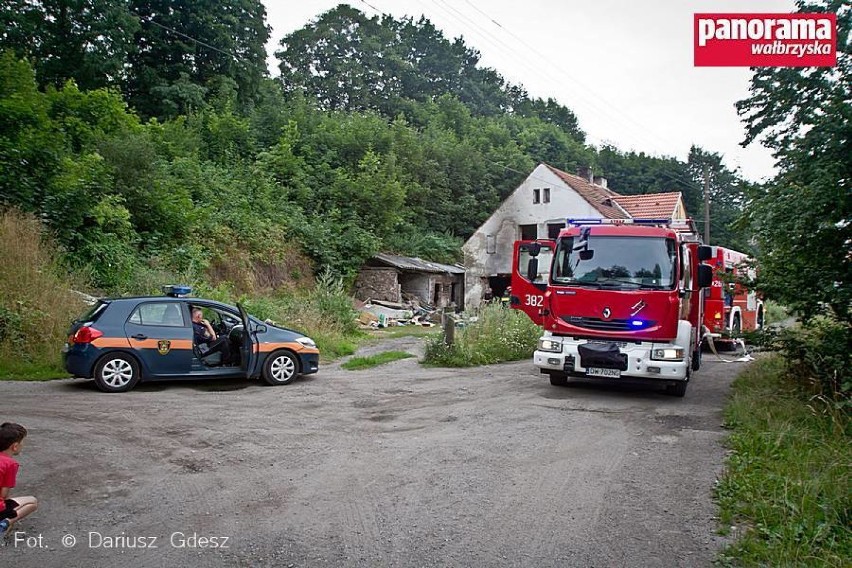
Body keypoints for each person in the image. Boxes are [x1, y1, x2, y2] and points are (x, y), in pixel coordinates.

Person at [0, 423, 38, 535]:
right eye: (22, 443)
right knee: (32, 502)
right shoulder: (10, 464)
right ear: (15, 446)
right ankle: (5, 523)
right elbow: (3, 493)